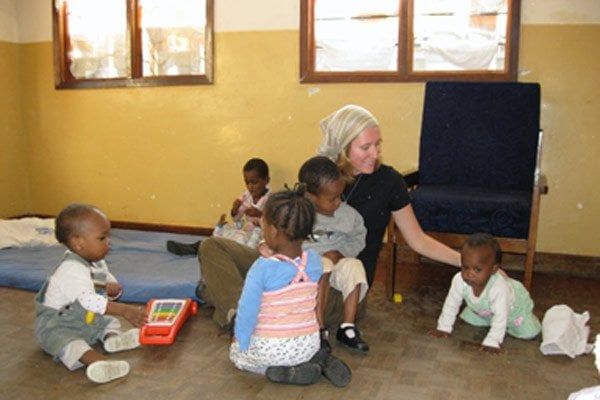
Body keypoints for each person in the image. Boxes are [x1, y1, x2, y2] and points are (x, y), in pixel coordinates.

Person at [317, 104, 461, 286]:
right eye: (365, 147)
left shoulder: (389, 181)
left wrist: (466, 262)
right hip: (315, 272)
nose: (375, 154)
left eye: (378, 145)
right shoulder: (320, 176)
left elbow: (418, 240)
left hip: (353, 281)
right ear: (343, 149)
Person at [229, 187, 351, 387]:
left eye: (264, 225)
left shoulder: (261, 268)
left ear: (274, 231)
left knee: (237, 355)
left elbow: (247, 311)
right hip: (308, 344)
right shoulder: (313, 262)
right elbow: (290, 265)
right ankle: (317, 359)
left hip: (271, 349)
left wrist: (239, 340)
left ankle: (282, 371)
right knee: (297, 343)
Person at [34, 204, 146, 384]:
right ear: (78, 242)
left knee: (109, 322)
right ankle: (98, 362)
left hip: (87, 318)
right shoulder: (70, 269)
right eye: (102, 238)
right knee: (71, 344)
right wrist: (124, 309)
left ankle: (113, 339)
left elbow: (106, 283)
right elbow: (89, 301)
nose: (108, 242)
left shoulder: (95, 262)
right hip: (59, 325)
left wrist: (113, 289)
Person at [299, 156, 369, 354]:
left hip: (338, 263)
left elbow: (358, 238)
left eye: (340, 195)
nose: (338, 202)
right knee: (323, 265)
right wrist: (319, 256)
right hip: (310, 268)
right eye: (332, 198)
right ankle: (318, 330)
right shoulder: (300, 215)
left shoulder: (350, 216)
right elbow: (292, 243)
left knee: (354, 266)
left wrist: (342, 254)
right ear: (311, 197)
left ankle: (347, 327)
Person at [428, 233, 542, 353]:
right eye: (465, 267)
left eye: (477, 269)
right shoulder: (459, 280)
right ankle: (486, 317)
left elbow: (501, 316)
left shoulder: (498, 288)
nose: (469, 274)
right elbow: (451, 304)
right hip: (485, 311)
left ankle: (531, 320)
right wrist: (443, 328)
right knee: (469, 318)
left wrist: (493, 341)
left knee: (528, 333)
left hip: (513, 311)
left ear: (494, 269)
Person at [167, 157, 271, 255]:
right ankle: (197, 247)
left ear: (266, 180)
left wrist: (260, 215)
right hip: (245, 231)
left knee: (240, 242)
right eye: (247, 182)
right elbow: (237, 219)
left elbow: (275, 224)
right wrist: (235, 211)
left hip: (259, 237)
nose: (250, 186)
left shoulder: (272, 199)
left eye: (254, 182)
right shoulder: (246, 195)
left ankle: (205, 249)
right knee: (226, 232)